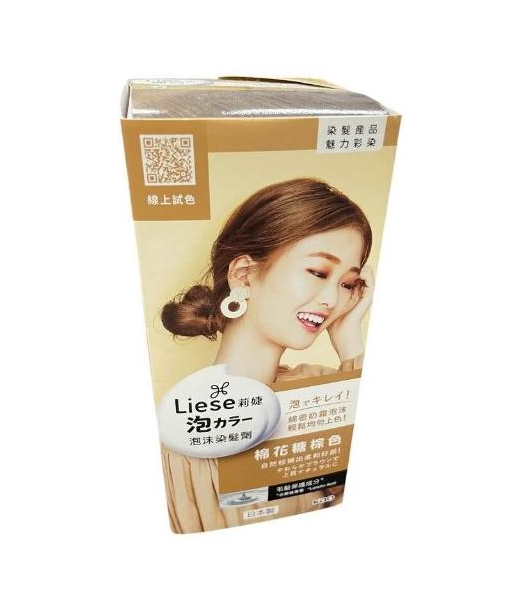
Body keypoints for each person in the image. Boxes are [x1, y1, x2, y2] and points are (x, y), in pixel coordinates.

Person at [159, 177, 374, 532]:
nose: (332, 299)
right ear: (244, 275)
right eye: (318, 272)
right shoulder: (178, 433)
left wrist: (350, 339)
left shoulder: (323, 391)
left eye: (347, 283)